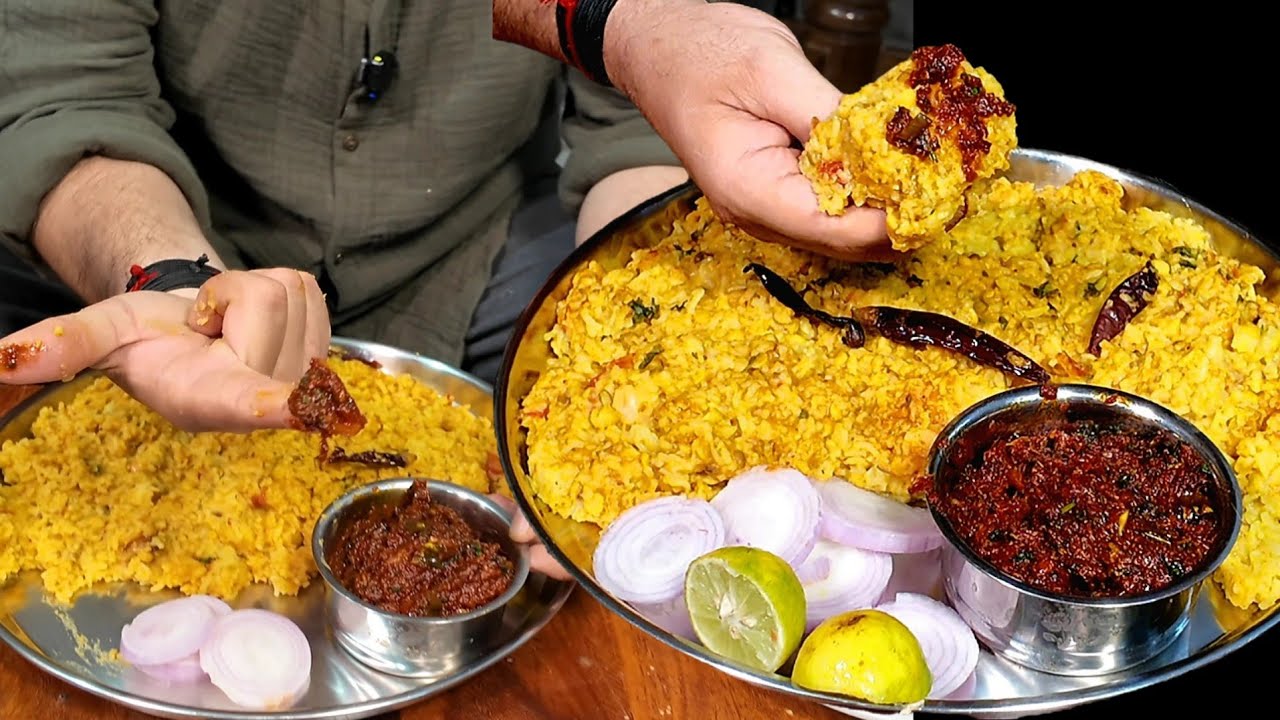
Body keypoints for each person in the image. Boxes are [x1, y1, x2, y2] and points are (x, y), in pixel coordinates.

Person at [0, 0, 888, 576]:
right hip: (160, 234)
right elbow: (62, 97)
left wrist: (634, 395)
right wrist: (172, 278)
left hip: (481, 255)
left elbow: (636, 136)